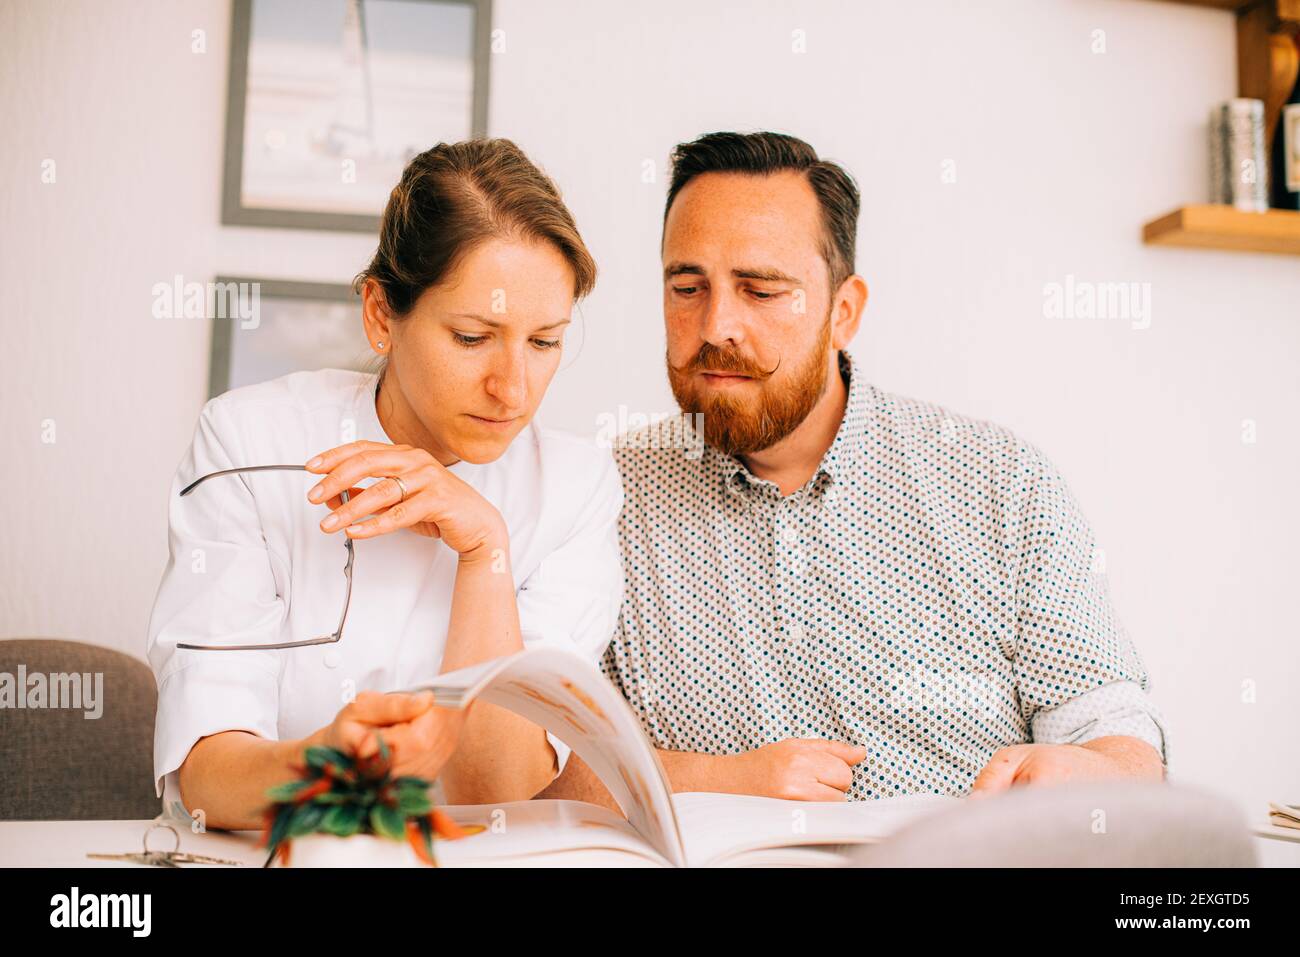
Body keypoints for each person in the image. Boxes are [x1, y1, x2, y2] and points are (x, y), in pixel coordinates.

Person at [543, 131, 1169, 807]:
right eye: (687, 286)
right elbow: (540, 766)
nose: (716, 323)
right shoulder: (600, 497)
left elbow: (1113, 730)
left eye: (760, 289)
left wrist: (1092, 773)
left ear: (844, 311)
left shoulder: (1001, 483)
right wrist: (715, 778)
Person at [147, 138, 623, 830]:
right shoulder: (250, 442)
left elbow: (502, 793)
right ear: (380, 315)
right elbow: (203, 780)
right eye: (470, 337)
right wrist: (322, 766)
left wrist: (485, 549)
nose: (512, 387)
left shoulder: (577, 487)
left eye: (544, 342)